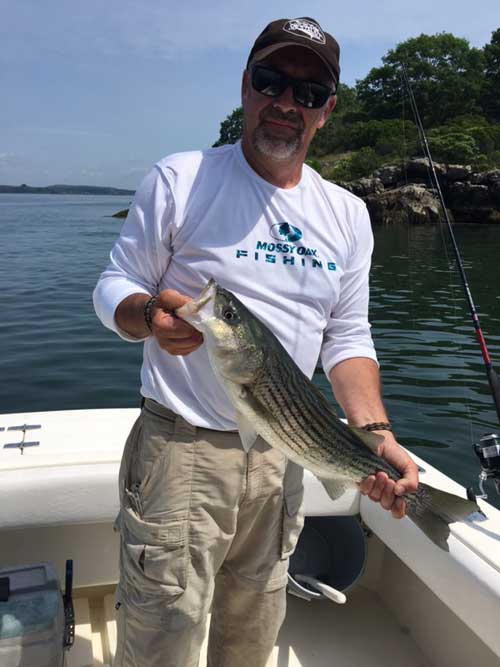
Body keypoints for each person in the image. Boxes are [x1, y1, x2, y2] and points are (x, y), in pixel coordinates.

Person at [93, 16, 419, 667]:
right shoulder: (181, 179)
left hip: (284, 451)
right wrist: (145, 314)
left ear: (326, 111)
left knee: (254, 623)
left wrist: (374, 432)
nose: (285, 104)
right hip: (182, 448)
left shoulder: (348, 215)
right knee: (164, 630)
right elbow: (114, 286)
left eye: (307, 93)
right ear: (245, 86)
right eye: (271, 81)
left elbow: (348, 337)